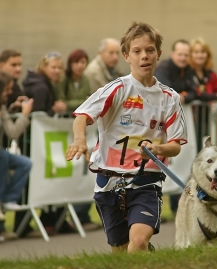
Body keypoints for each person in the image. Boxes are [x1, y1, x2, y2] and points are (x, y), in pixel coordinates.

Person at [66, 22, 188, 253]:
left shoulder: (169, 97)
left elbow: (175, 146)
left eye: (150, 50)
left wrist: (156, 149)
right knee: (122, 253)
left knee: (139, 242)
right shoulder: (117, 88)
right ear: (126, 56)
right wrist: (79, 140)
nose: (144, 56)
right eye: (137, 51)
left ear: (158, 54)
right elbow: (81, 116)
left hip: (146, 181)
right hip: (109, 182)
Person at [15, 52, 73, 236]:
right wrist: (52, 110)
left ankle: (45, 221)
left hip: (35, 141)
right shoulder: (40, 87)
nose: (57, 71)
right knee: (32, 181)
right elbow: (39, 116)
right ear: (43, 67)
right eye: (53, 67)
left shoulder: (44, 83)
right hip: (34, 141)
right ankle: (22, 225)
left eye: (59, 68)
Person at [56, 49, 101, 231]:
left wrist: (73, 103)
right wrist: (80, 102)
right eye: (77, 62)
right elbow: (61, 103)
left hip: (86, 134)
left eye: (84, 62)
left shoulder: (84, 80)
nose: (81, 66)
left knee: (86, 173)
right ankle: (61, 218)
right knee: (63, 174)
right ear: (71, 64)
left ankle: (82, 215)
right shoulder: (63, 80)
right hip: (63, 131)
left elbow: (87, 101)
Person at [154, 39, 196, 218]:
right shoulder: (163, 69)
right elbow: (165, 90)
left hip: (179, 126)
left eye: (186, 55)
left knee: (181, 163)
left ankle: (177, 207)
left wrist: (185, 95)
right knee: (162, 165)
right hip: (160, 125)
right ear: (172, 54)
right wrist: (181, 94)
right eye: (180, 54)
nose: (183, 58)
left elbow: (195, 91)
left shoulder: (189, 70)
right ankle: (155, 209)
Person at [0, 71, 33, 241]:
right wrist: (25, 115)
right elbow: (13, 133)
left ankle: (7, 199)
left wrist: (13, 108)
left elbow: (10, 130)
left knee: (24, 163)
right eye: (6, 90)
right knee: (3, 157)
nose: (8, 93)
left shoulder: (2, 107)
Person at [188, 37, 217, 152]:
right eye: (196, 52)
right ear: (191, 54)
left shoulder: (209, 73)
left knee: (203, 147)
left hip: (206, 116)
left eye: (203, 52)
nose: (200, 55)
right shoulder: (187, 72)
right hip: (190, 117)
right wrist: (216, 96)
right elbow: (196, 93)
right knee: (192, 147)